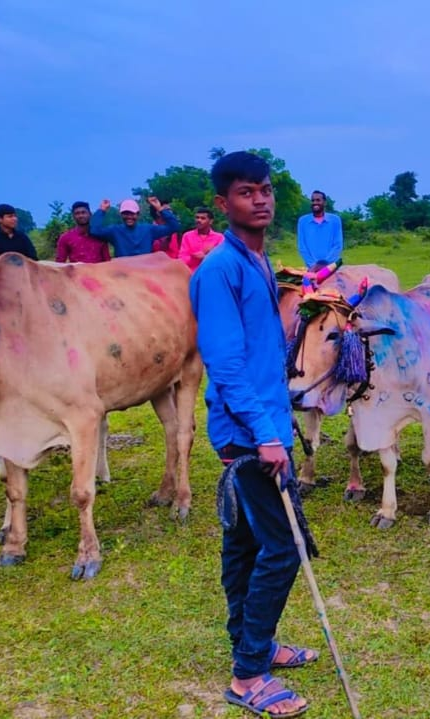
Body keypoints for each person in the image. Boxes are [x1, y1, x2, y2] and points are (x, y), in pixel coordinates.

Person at [189, 151, 317, 718]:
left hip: (264, 422)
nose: (260, 199)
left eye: (265, 189)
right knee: (283, 547)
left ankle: (254, 645)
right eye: (246, 192)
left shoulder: (259, 260)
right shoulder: (220, 270)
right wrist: (267, 437)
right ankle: (248, 676)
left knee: (243, 543)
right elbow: (227, 365)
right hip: (249, 434)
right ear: (223, 203)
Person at [90, 196, 180, 258]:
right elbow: (94, 230)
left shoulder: (148, 229)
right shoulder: (114, 231)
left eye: (132, 213)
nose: (129, 217)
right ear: (121, 215)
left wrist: (159, 208)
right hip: (124, 273)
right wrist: (102, 210)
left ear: (138, 214)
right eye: (126, 213)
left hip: (144, 271)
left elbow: (174, 227)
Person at [295, 190, 343, 268]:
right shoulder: (303, 221)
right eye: (313, 200)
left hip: (332, 267)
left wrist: (325, 263)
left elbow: (338, 245)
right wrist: (313, 265)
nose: (315, 203)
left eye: (318, 200)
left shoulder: (335, 220)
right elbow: (302, 247)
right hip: (311, 268)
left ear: (325, 202)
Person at [177, 207, 224, 272]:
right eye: (197, 217)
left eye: (203, 218)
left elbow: (222, 259)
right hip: (191, 274)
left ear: (211, 221)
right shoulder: (187, 236)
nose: (199, 220)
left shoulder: (219, 238)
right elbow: (182, 259)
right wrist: (194, 258)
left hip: (211, 273)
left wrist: (207, 257)